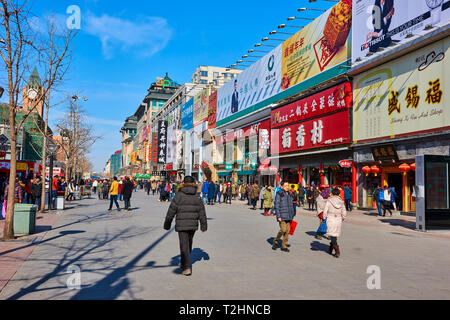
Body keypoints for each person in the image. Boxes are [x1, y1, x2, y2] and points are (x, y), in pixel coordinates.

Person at [164, 176, 208, 277]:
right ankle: (184, 263)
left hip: (181, 225)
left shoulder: (178, 195)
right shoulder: (197, 196)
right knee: (188, 244)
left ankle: (187, 267)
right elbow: (202, 212)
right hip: (192, 225)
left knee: (184, 245)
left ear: (183, 183)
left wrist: (167, 224)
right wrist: (204, 226)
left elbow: (171, 211)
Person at [272, 182, 296, 252]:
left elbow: (293, 203)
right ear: (282, 186)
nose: (287, 187)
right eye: (285, 186)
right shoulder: (279, 193)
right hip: (282, 216)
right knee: (283, 230)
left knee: (287, 231)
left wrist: (292, 214)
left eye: (288, 185)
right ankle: (276, 241)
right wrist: (278, 216)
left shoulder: (289, 193)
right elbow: (277, 205)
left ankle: (284, 246)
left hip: (289, 215)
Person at [323, 188, 347, 258]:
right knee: (334, 234)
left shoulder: (329, 201)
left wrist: (325, 218)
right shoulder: (341, 202)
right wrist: (342, 218)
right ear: (339, 194)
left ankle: (337, 249)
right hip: (338, 219)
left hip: (330, 218)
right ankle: (331, 246)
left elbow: (325, 211)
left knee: (332, 234)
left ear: (332, 193)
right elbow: (344, 213)